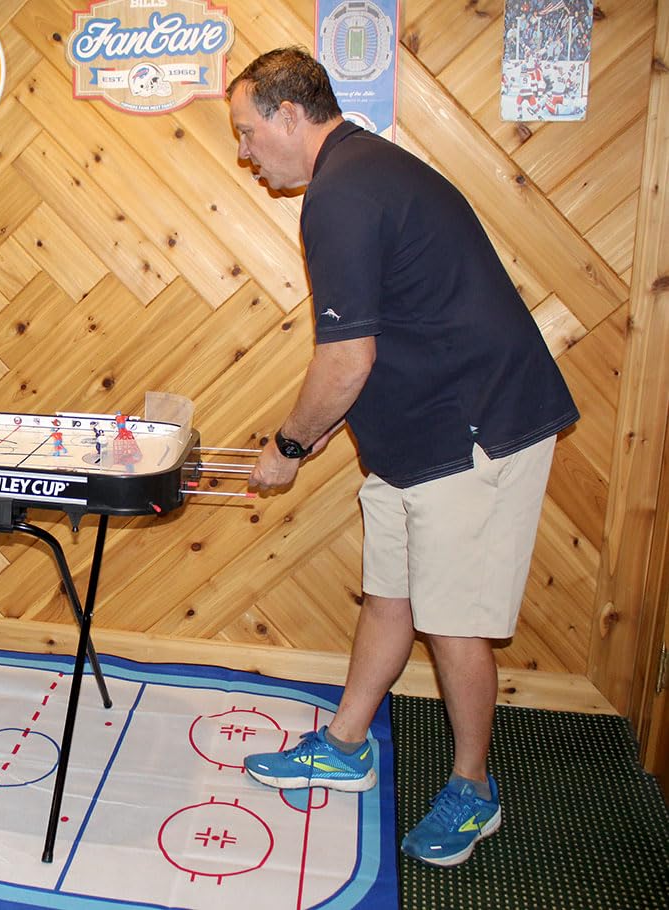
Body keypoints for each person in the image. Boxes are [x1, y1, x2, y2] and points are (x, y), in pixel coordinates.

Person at [226, 48, 578, 867]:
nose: (246, 153)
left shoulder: (342, 192)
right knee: (392, 593)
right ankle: (347, 744)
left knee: (453, 621)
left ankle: (473, 789)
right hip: (417, 437)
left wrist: (286, 448)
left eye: (247, 133)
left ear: (288, 114)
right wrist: (312, 435)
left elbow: (346, 361)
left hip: (473, 432)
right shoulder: (362, 173)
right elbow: (373, 344)